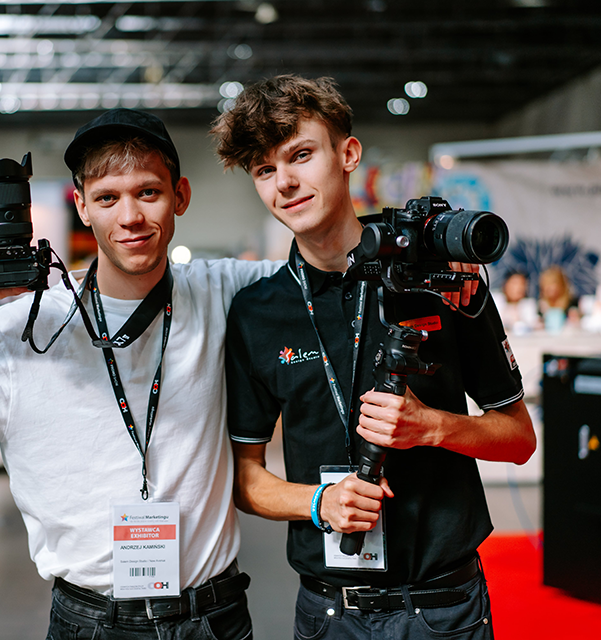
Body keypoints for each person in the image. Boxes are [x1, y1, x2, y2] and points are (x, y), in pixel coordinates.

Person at [0, 108, 281, 639]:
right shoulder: (19, 329)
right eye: (107, 198)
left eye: (148, 192)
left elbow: (331, 262)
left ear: (180, 195)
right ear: (82, 206)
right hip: (91, 622)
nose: (130, 216)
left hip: (213, 616)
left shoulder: (222, 290)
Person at [210, 75, 536, 639]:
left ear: (348, 154)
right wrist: (319, 502)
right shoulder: (257, 312)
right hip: (329, 613)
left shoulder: (441, 277)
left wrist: (433, 427)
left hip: (445, 607)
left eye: (301, 155)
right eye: (264, 170)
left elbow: (518, 437)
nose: (285, 182)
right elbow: (247, 479)